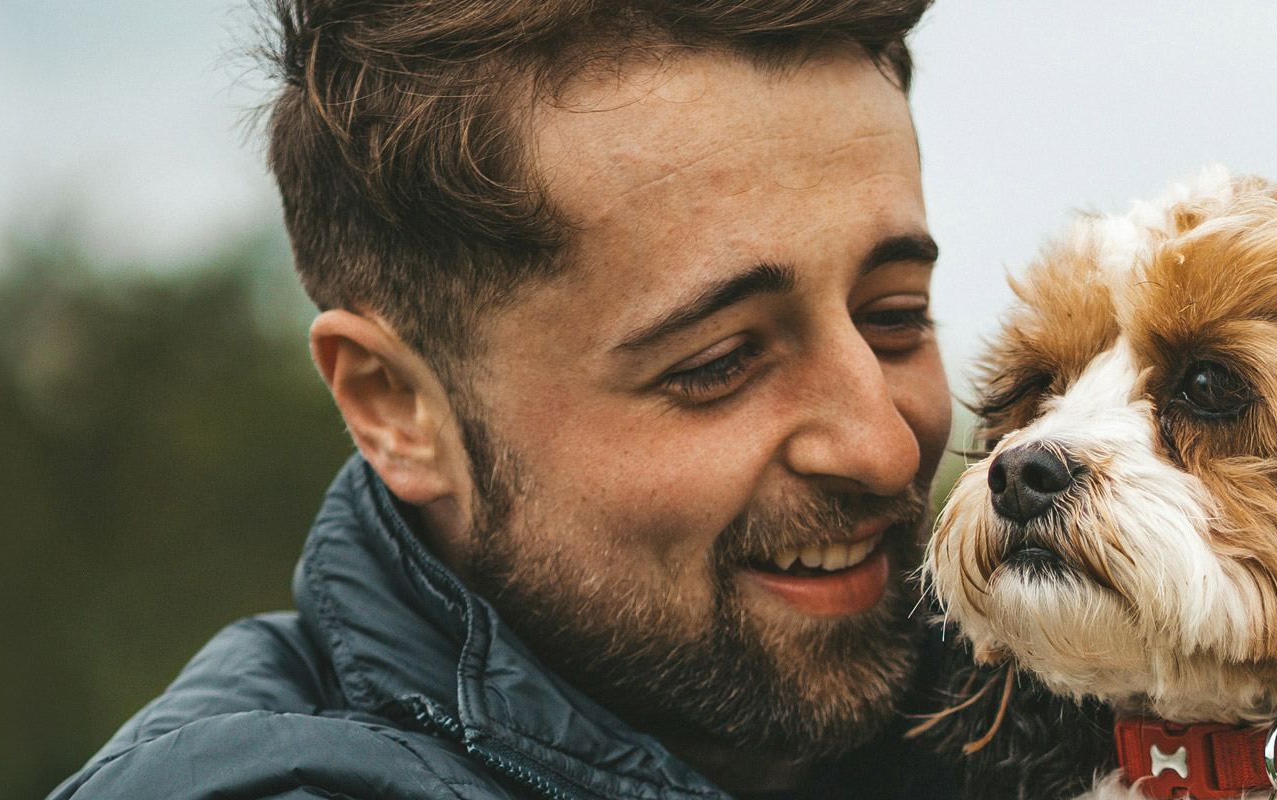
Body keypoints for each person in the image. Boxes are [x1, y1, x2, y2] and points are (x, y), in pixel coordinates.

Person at [47, 1, 956, 798]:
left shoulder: (1030, 710)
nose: (884, 446)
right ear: (396, 406)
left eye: (894, 316)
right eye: (718, 362)